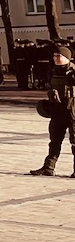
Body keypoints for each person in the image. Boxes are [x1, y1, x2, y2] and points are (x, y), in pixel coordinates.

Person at [28, 44, 75, 177]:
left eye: (58, 56)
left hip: (73, 112)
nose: (55, 58)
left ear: (67, 58)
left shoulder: (73, 72)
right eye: (54, 56)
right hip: (57, 112)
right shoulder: (53, 71)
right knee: (54, 142)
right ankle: (48, 167)